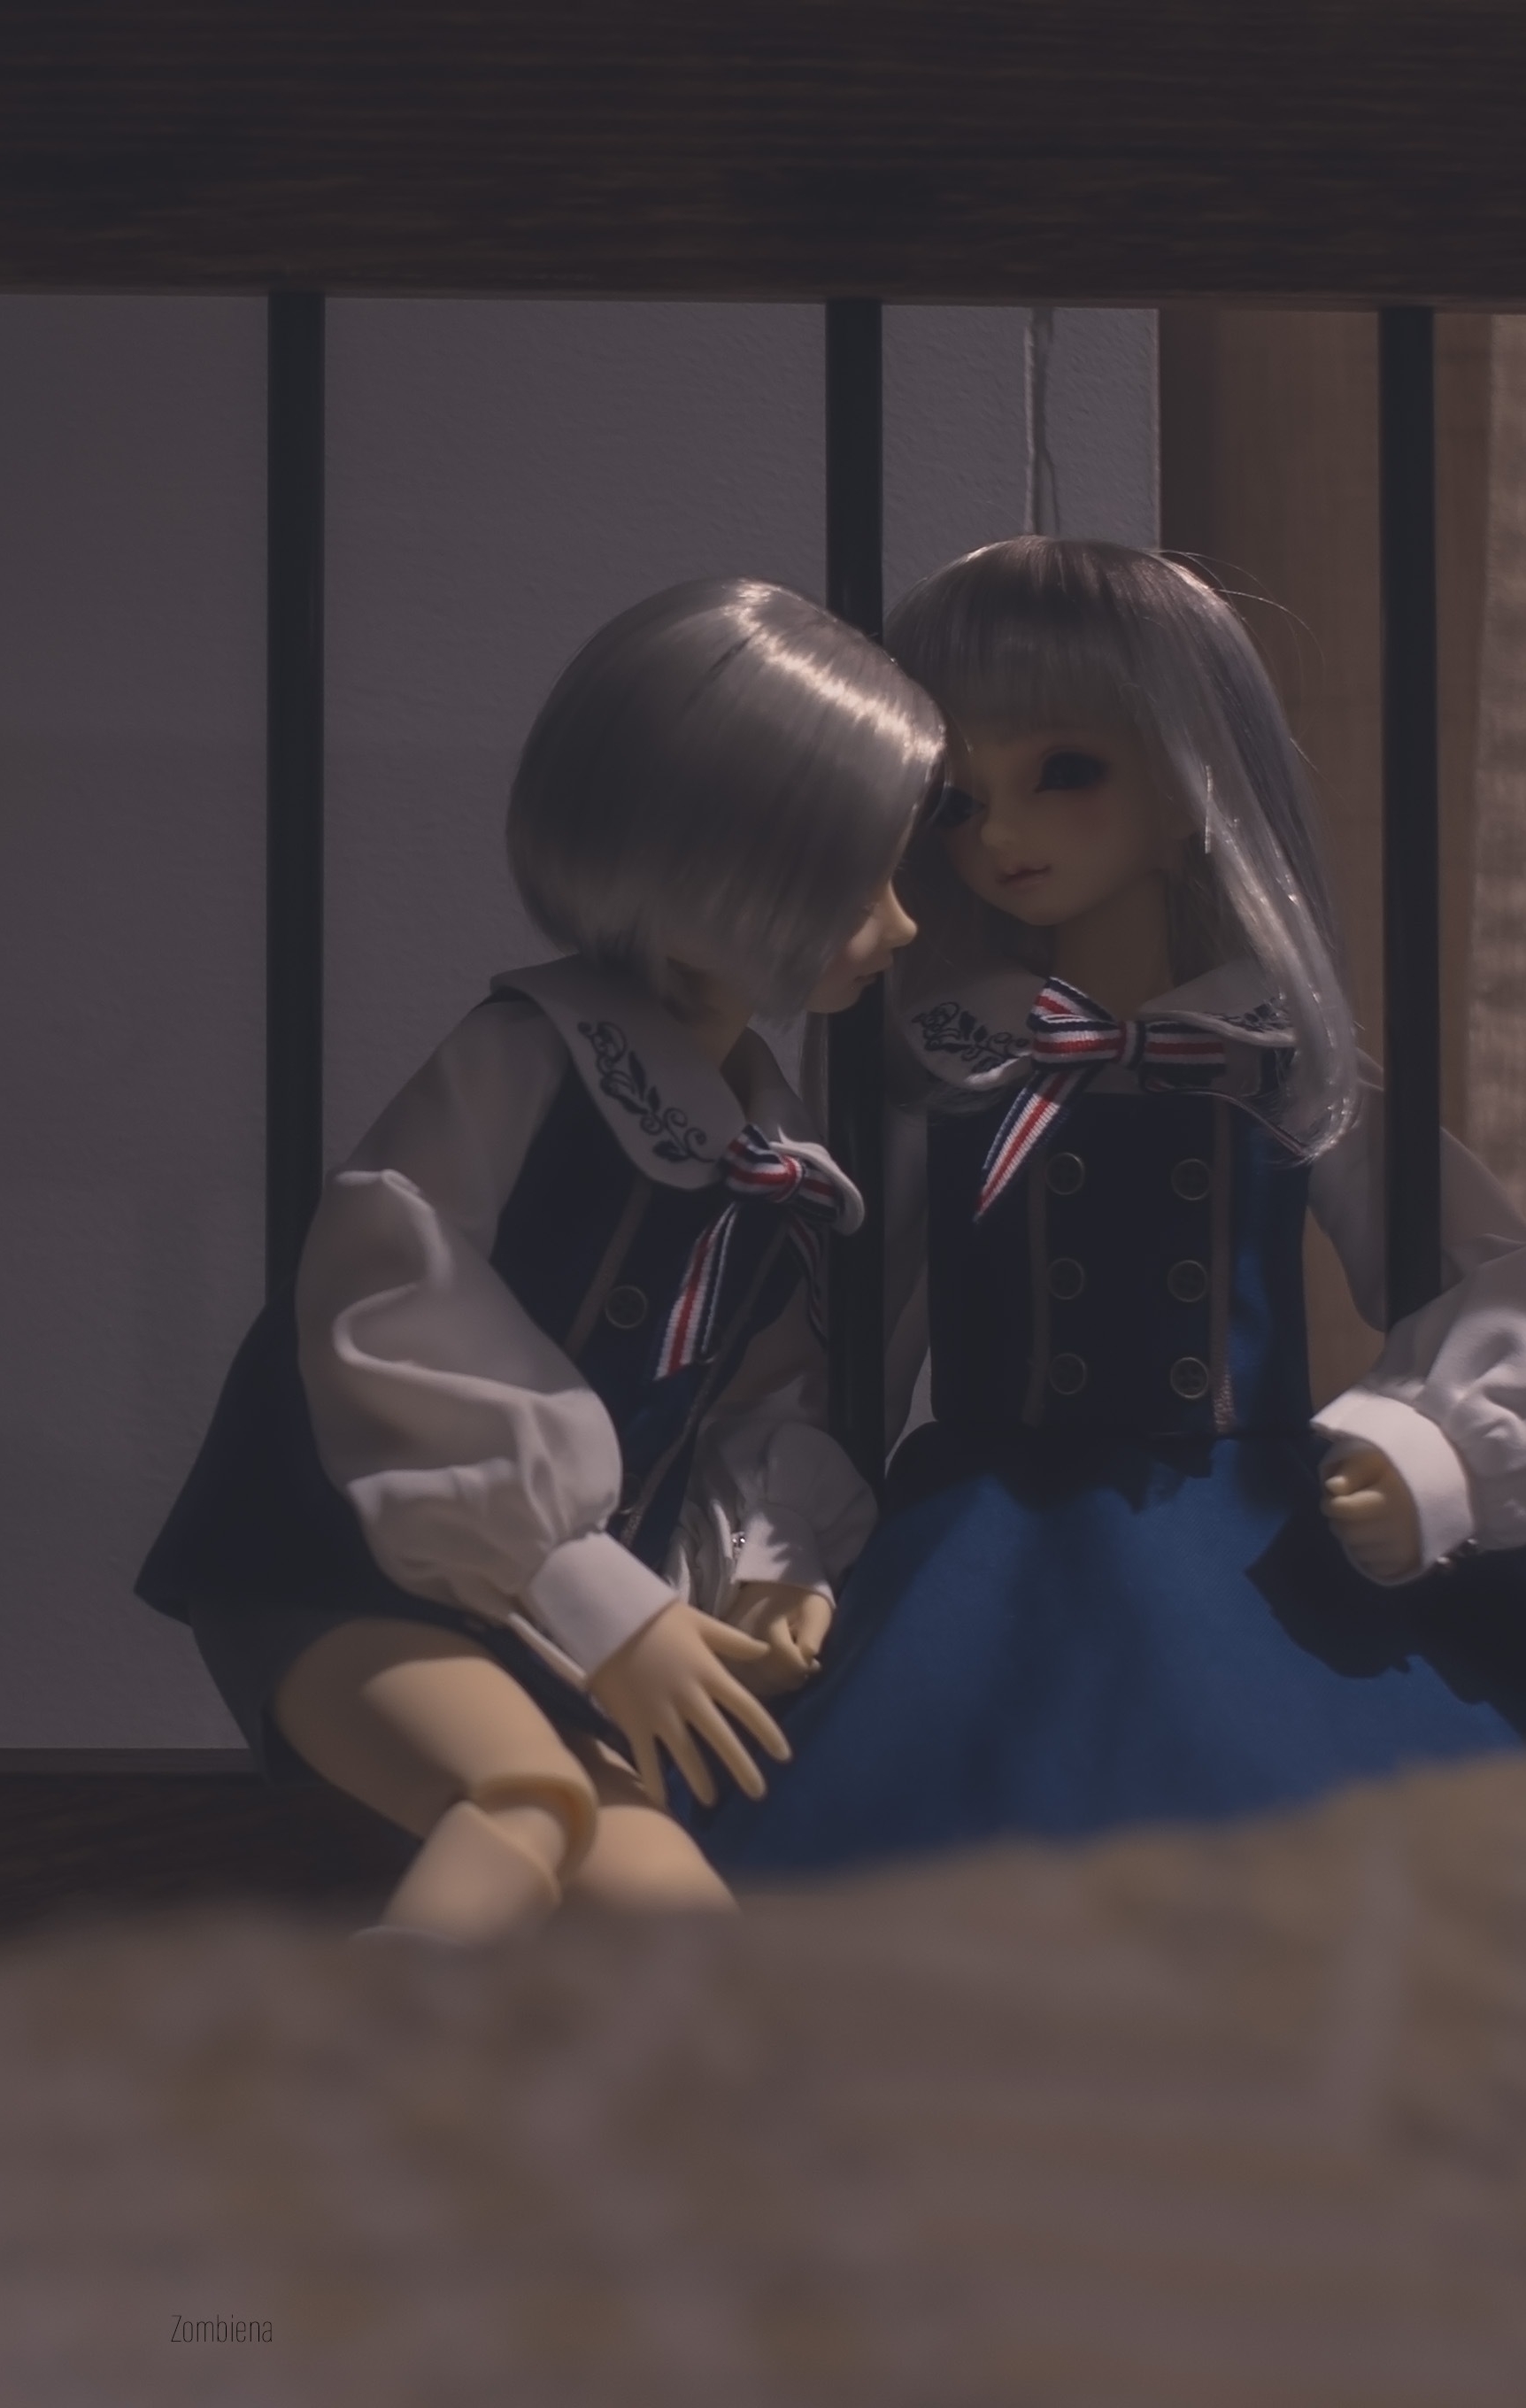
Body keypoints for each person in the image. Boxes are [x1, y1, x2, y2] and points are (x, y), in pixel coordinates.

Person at [697, 537, 1526, 1993]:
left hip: (1246, 1550)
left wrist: (1433, 1448)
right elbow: (839, 1339)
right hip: (983, 1551)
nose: (1000, 833)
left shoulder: (1284, 1072)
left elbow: (1501, 1277)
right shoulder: (947, 1075)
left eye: (1064, 771)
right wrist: (783, 1541)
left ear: (1190, 782)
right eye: (958, 801)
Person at [138, 577, 941, 1942]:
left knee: (689, 1924)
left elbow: (747, 1404)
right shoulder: (528, 1061)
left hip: (544, 1627)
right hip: (341, 1572)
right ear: (717, 858)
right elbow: (394, 1311)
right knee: (524, 1802)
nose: (903, 923)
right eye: (858, 877)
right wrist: (600, 1599)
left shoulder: (768, 1146)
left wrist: (771, 1558)